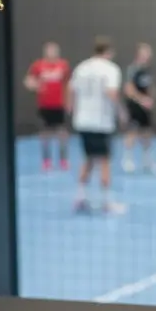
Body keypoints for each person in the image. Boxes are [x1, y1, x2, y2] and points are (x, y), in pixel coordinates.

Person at [67, 36, 123, 213]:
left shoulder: (82, 67)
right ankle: (107, 202)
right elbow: (111, 92)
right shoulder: (111, 69)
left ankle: (80, 197)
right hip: (101, 122)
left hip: (82, 120)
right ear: (109, 52)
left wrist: (72, 109)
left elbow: (71, 89)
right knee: (105, 160)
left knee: (88, 158)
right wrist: (122, 112)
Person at [25, 41, 72, 170]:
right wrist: (36, 86)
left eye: (54, 50)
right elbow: (28, 81)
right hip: (44, 105)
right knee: (45, 133)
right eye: (49, 51)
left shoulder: (63, 65)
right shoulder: (38, 65)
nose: (52, 53)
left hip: (59, 104)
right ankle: (46, 160)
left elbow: (68, 84)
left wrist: (69, 102)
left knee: (62, 133)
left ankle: (63, 159)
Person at [121, 42, 155, 174]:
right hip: (134, 105)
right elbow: (128, 89)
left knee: (147, 133)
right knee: (132, 132)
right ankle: (127, 159)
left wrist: (151, 98)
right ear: (138, 54)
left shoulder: (148, 70)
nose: (147, 56)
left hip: (146, 106)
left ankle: (147, 160)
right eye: (144, 53)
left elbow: (149, 87)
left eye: (148, 53)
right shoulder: (132, 69)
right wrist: (142, 100)